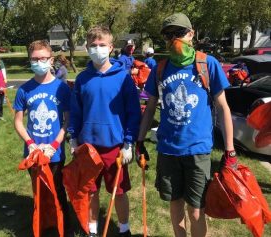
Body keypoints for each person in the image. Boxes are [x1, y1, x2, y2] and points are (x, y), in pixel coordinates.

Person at [136, 13, 237, 237]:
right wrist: (140, 140)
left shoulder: (207, 64)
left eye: (179, 33)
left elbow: (223, 108)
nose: (174, 39)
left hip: (198, 149)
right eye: (168, 35)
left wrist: (229, 148)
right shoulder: (160, 69)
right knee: (175, 204)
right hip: (168, 149)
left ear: (191, 34)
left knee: (197, 210)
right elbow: (151, 107)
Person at [69, 26, 141, 237]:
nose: (97, 49)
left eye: (102, 45)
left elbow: (133, 112)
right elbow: (76, 111)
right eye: (93, 45)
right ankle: (92, 228)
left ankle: (124, 228)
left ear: (111, 48)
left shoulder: (123, 77)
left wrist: (128, 143)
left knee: (118, 191)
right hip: (88, 146)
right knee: (91, 190)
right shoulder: (83, 78)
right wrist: (73, 138)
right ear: (87, 48)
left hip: (115, 146)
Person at [13, 40, 73, 237]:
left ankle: (64, 228)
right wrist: (30, 144)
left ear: (51, 59)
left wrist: (55, 145)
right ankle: (43, 225)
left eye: (43, 58)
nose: (39, 62)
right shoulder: (24, 89)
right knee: (38, 191)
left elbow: (67, 121)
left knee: (57, 190)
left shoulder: (62, 89)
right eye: (34, 59)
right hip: (33, 153)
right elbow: (18, 122)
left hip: (54, 152)